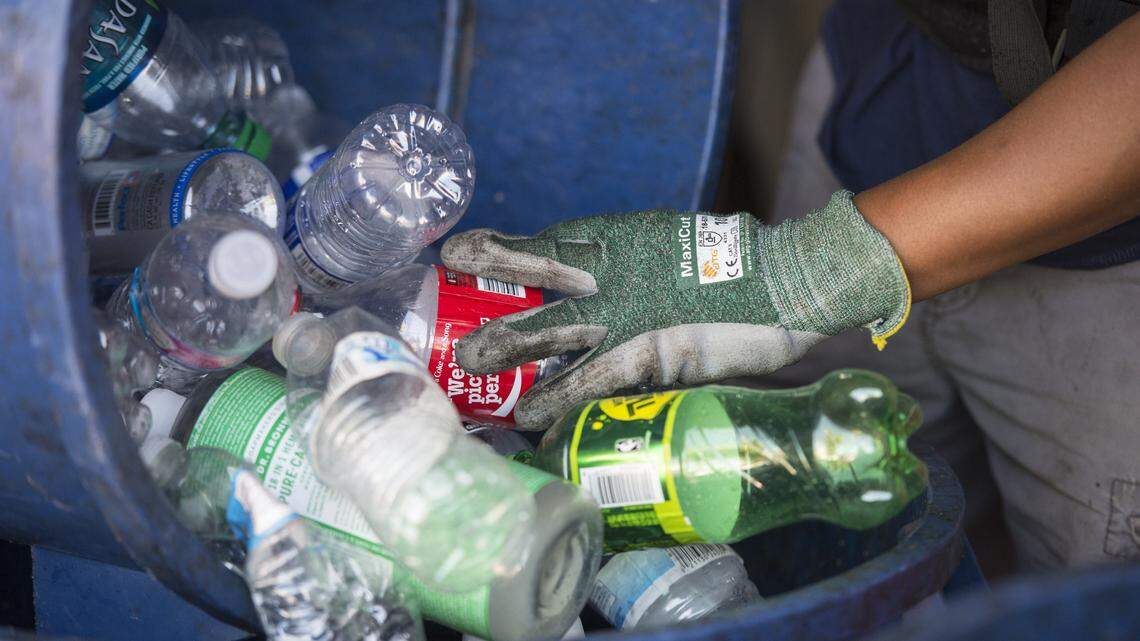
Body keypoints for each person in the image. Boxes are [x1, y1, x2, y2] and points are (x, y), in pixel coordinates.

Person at [440, 4, 1140, 571]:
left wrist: (807, 271)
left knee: (1076, 598)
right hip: (878, 94)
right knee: (821, 537)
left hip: (1105, 254)